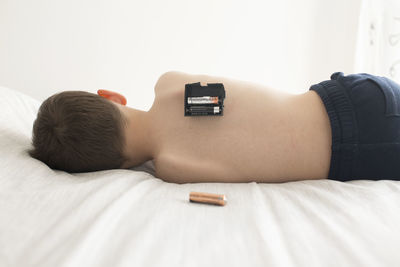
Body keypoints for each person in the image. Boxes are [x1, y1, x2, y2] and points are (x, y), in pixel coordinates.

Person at [29, 71, 400, 183]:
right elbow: (227, 105)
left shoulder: (172, 166)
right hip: (348, 97)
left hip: (361, 151)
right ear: (113, 97)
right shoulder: (171, 87)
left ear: (115, 167)